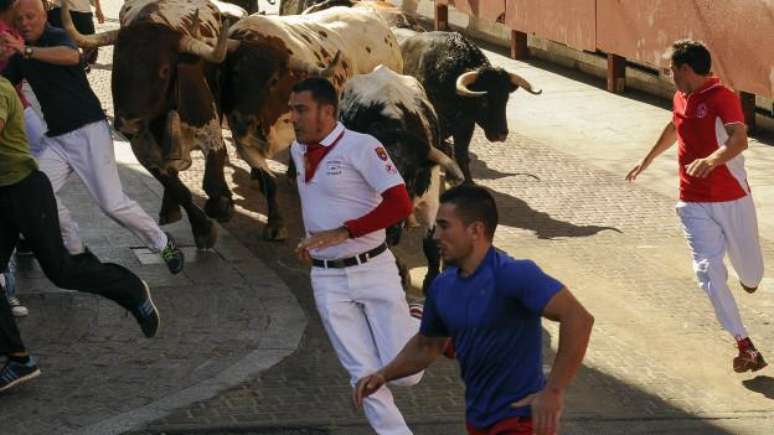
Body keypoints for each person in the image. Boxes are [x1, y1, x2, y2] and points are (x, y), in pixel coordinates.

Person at [353, 184, 595, 435]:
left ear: (476, 230)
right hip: (478, 422)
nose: (436, 236)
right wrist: (383, 375)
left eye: (445, 226)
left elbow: (578, 318)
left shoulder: (514, 274)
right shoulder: (442, 286)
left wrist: (554, 391)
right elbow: (427, 346)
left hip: (519, 421)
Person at [0, 73, 160, 393]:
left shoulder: (0, 89)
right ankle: (18, 358)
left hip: (26, 193)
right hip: (3, 197)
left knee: (62, 271)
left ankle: (131, 289)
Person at [0, 0, 184, 274]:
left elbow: (72, 56)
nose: (25, 23)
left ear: (43, 16)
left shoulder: (56, 37)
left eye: (30, 17)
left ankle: (162, 243)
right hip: (57, 140)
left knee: (112, 203)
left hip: (88, 131)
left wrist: (26, 50)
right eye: (19, 20)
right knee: (36, 192)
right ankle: (74, 248)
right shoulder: (20, 56)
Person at [291, 77, 423, 434]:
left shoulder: (362, 147)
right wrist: (310, 242)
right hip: (327, 279)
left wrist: (344, 232)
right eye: (292, 110)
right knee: (362, 374)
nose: (293, 118)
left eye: (301, 110)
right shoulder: (296, 150)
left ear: (328, 111)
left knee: (407, 376)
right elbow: (318, 205)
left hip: (374, 270)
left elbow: (400, 203)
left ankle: (419, 317)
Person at [626, 39, 766, 373]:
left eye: (671, 69)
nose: (669, 75)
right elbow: (675, 125)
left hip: (732, 198)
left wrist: (712, 160)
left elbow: (739, 139)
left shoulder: (723, 97)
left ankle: (748, 277)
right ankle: (744, 345)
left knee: (751, 274)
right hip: (692, 201)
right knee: (707, 270)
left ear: (686, 69)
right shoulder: (680, 97)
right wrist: (647, 160)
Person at [46, 0, 103, 69]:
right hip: (58, 9)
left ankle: (83, 66)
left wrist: (98, 9)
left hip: (82, 10)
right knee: (58, 43)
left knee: (91, 49)